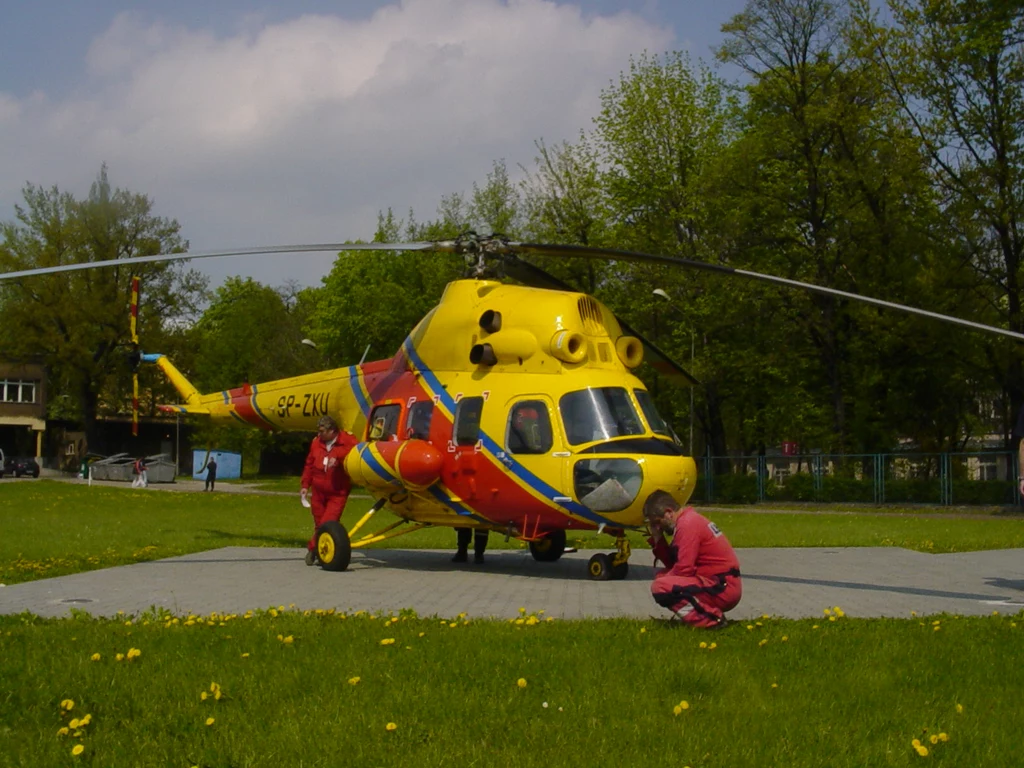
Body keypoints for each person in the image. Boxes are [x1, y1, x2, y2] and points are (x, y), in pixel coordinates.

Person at [643, 490, 742, 628]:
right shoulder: (688, 521)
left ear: (668, 512)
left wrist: (663, 583)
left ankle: (711, 620)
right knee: (663, 579)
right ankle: (703, 615)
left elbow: (684, 569)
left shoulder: (688, 525)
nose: (658, 527)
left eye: (657, 522)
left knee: (660, 586)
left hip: (721, 587)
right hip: (720, 583)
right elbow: (674, 563)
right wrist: (658, 538)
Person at [300, 415, 358, 566]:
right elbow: (309, 464)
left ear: (332, 431)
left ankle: (313, 549)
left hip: (337, 492)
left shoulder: (347, 440)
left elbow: (357, 449)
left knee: (329, 522)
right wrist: (305, 485)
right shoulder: (316, 443)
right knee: (319, 523)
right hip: (318, 491)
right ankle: (321, 551)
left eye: (322, 431)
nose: (319, 435)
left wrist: (338, 456)